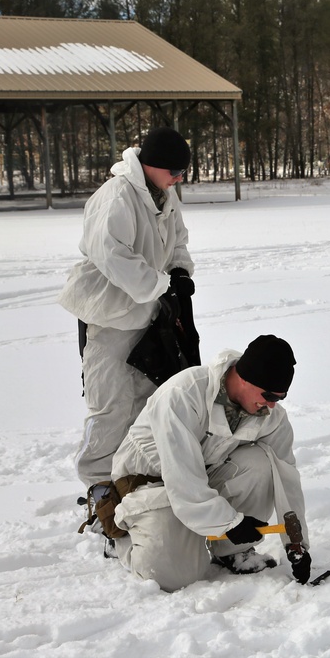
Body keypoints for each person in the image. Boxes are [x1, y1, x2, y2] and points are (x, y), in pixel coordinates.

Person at [108, 335, 312, 592]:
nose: (271, 405)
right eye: (268, 395)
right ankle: (121, 535)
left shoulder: (269, 416)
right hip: (147, 485)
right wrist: (231, 522)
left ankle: (232, 550)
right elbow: (183, 481)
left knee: (261, 463)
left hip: (199, 480)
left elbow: (287, 477)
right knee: (174, 577)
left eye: (279, 398)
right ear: (245, 378)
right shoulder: (183, 394)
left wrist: (297, 544)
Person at [58, 127, 196, 488]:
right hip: (109, 315)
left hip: (147, 314)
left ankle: (134, 476)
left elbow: (177, 238)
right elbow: (111, 253)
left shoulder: (164, 195)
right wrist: (158, 287)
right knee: (111, 404)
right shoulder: (117, 195)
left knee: (147, 399)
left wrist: (179, 272)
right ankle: (99, 485)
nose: (179, 179)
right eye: (175, 172)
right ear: (152, 165)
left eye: (183, 173)